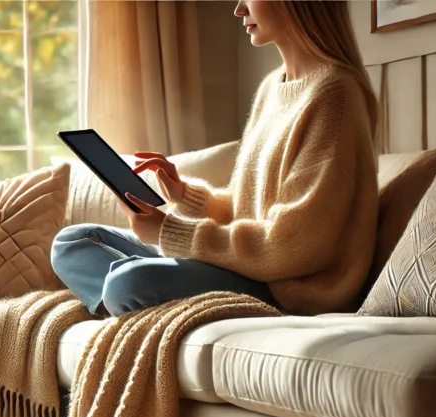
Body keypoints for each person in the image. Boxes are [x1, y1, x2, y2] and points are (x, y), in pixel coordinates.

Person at [51, 0, 379, 317]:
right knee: (71, 242)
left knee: (128, 282)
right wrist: (187, 197)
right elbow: (244, 208)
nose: (238, 9)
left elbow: (293, 247)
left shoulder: (335, 95)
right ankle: (131, 297)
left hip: (283, 289)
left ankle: (128, 293)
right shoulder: (272, 88)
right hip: (242, 265)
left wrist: (169, 232)